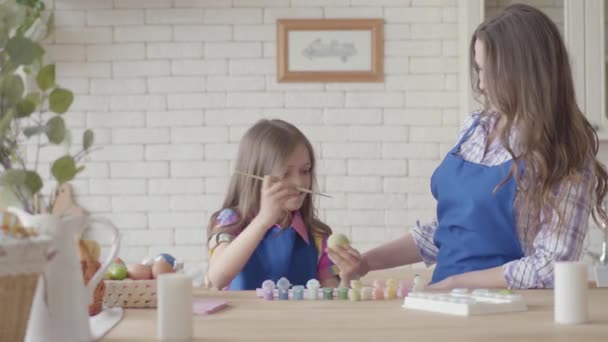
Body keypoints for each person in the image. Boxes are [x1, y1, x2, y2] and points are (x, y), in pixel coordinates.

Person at [328, 4, 608, 290]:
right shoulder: (475, 127)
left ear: (523, 73)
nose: (482, 84)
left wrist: (456, 283)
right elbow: (451, 230)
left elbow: (551, 267)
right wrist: (368, 262)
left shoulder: (564, 152)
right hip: (443, 300)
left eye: (489, 71)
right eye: (478, 69)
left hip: (509, 311)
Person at [206, 119, 339, 290]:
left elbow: (332, 294)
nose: (299, 182)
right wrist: (263, 220)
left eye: (305, 171)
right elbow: (216, 279)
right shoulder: (230, 221)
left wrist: (349, 277)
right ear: (256, 176)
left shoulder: (317, 235)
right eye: (285, 173)